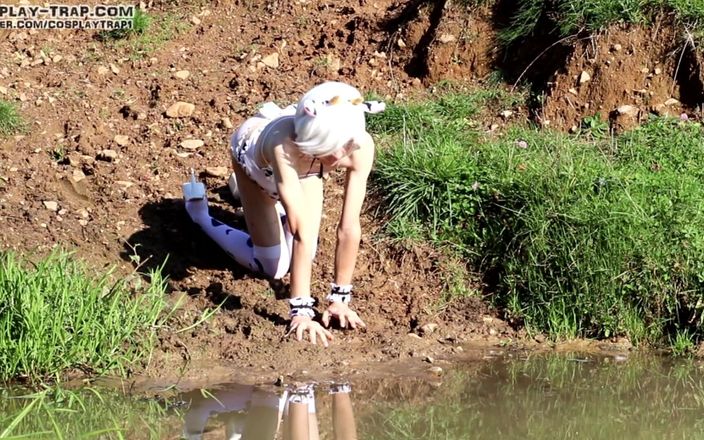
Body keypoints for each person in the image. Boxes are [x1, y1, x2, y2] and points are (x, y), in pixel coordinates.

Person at [183, 81, 384, 346]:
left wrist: (339, 299)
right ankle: (201, 215)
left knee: (308, 250)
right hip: (255, 163)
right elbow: (301, 230)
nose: (336, 159)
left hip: (303, 169)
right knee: (275, 266)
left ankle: (264, 201)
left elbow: (348, 227)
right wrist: (301, 312)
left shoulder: (360, 146)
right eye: (328, 151)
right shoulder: (284, 145)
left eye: (342, 148)